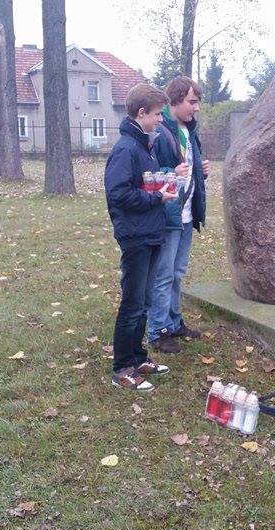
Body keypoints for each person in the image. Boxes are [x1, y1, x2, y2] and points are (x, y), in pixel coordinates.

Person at [103, 83, 179, 391]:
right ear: (141, 113)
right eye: (158, 114)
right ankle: (122, 367)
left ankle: (138, 356)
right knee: (133, 303)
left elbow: (143, 187)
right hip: (135, 236)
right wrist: (156, 199)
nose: (161, 120)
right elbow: (118, 195)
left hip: (150, 233)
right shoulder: (126, 149)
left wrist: (161, 191)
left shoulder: (142, 147)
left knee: (145, 301)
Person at [146, 76, 210, 354]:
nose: (196, 108)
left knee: (177, 273)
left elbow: (189, 171)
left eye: (197, 103)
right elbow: (148, 173)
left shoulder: (189, 131)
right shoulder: (160, 131)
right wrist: (172, 173)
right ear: (175, 100)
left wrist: (201, 171)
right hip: (167, 215)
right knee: (163, 275)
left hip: (185, 216)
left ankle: (173, 322)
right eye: (192, 102)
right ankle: (157, 329)